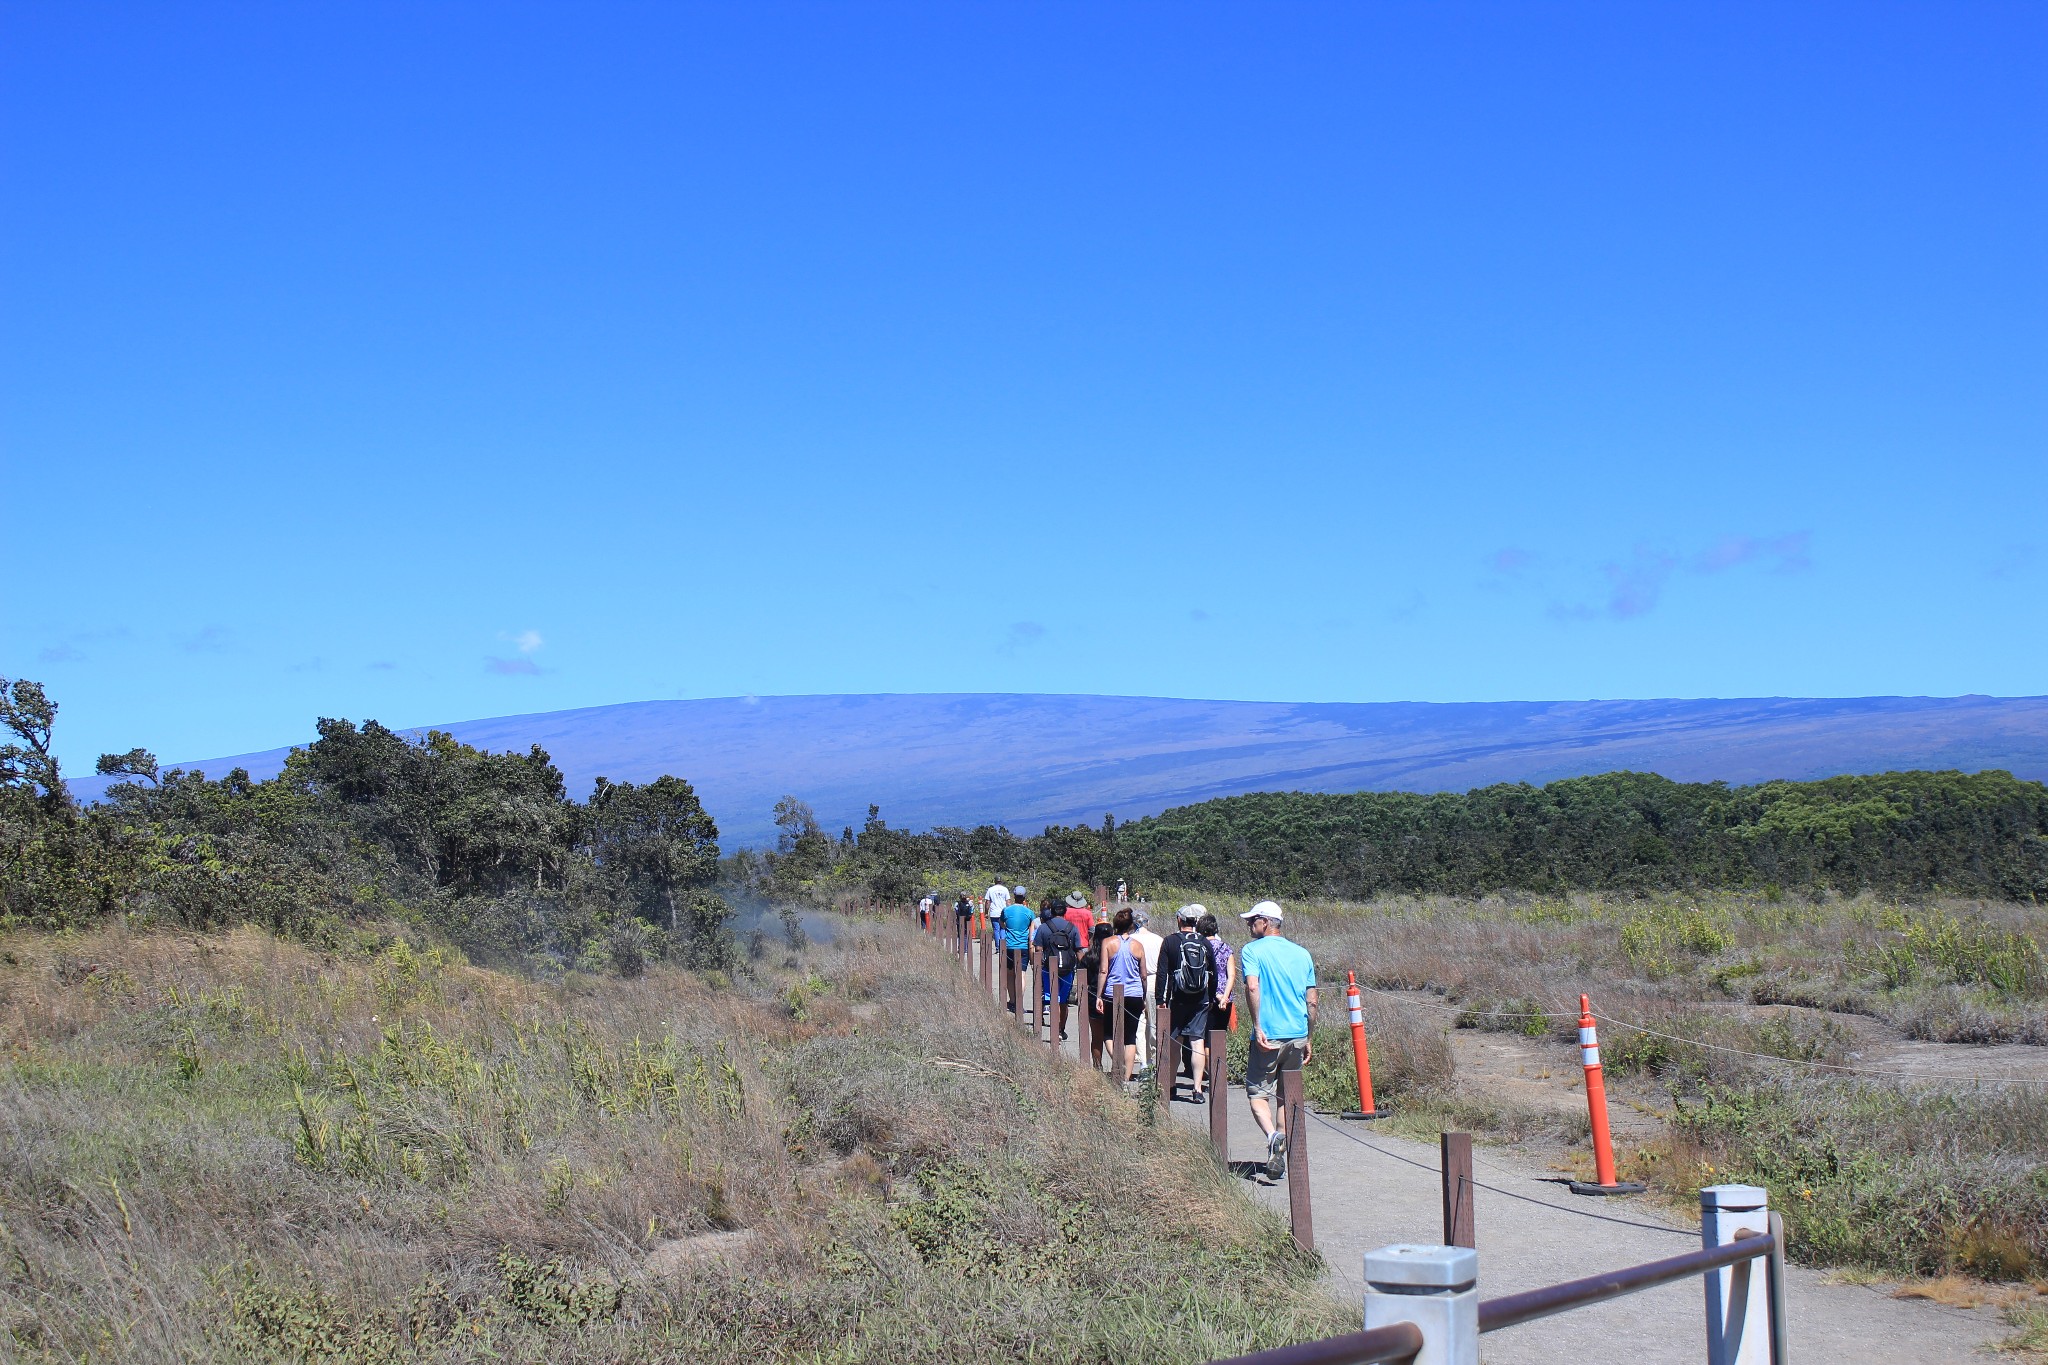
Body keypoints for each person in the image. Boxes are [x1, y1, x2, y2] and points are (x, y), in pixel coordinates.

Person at [1238, 899, 1316, 1180]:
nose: (1249, 924)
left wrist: (1258, 1025)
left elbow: (1252, 986)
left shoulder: (1251, 951)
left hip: (1268, 1035)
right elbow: (1312, 1000)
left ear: (1266, 922)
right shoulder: (1302, 953)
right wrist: (1309, 1035)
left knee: (1258, 1093)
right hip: (1296, 1033)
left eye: (1253, 920)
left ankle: (1273, 1137)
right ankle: (1281, 1144)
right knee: (1286, 1094)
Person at [1155, 905, 1215, 1103]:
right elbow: (1212, 973)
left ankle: (1170, 1086)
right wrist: (1211, 998)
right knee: (1197, 1041)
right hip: (1201, 998)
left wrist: (1160, 1000)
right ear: (1195, 922)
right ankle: (1197, 1089)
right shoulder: (1204, 942)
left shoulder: (1170, 942)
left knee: (1175, 1042)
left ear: (1179, 920)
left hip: (1178, 999)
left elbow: (1162, 973)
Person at [1097, 908, 1149, 1085]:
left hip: (1113, 992)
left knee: (1108, 1033)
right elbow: (1143, 974)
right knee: (1130, 1036)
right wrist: (1143, 996)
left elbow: (1103, 970)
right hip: (1134, 993)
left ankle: (1117, 1062)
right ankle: (1126, 1078)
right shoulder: (1138, 945)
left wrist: (1099, 994)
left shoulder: (1108, 943)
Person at [1034, 901, 1082, 1041]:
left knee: (1052, 998)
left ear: (1052, 911)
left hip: (1048, 969)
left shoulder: (1043, 928)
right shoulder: (1072, 928)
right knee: (1064, 1000)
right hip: (1067, 970)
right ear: (1064, 912)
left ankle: (1054, 1030)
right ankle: (1060, 1030)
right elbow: (1078, 950)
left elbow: (1038, 949)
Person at [1130, 907, 1164, 1074]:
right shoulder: (1158, 940)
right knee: (1155, 1021)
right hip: (1154, 980)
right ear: (1147, 922)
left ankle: (1144, 1060)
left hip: (1135, 981)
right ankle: (1156, 1056)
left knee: (1139, 1022)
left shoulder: (1130, 939)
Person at [1079, 907, 1114, 1070]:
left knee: (1097, 1036)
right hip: (1114, 996)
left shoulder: (1089, 957)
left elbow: (1081, 979)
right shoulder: (1115, 956)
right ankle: (1119, 1066)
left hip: (1094, 997)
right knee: (1115, 1034)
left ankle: (1097, 1066)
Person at [1000, 885, 1036, 1015]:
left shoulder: (1006, 910)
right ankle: (1019, 1002)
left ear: (1014, 896)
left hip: (1009, 946)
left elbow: (1001, 924)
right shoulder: (1029, 912)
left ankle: (1013, 1001)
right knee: (1021, 974)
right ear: (1024, 898)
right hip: (1023, 946)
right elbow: (1032, 929)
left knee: (1010, 974)